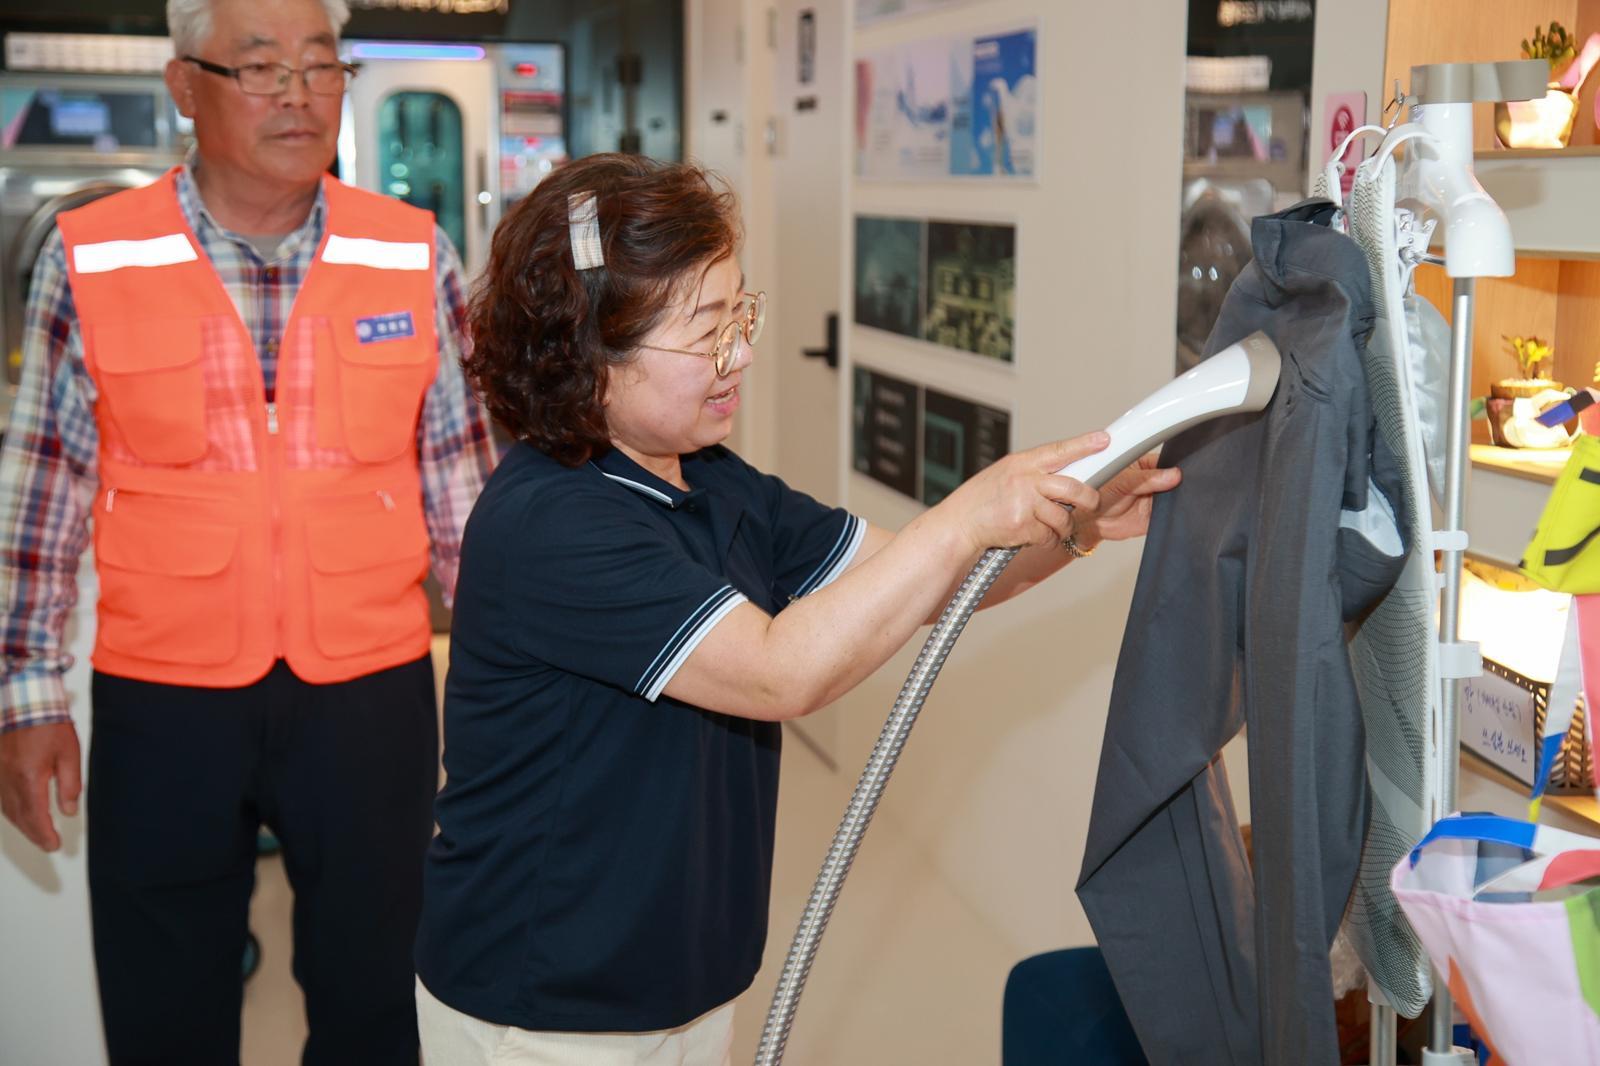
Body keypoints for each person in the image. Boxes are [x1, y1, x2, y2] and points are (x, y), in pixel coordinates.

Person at [412, 152, 1181, 1065]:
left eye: (741, 313)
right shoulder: (551, 521)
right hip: (543, 1009)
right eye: (705, 331)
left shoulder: (716, 483)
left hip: (682, 983)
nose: (739, 353)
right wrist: (969, 511)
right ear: (590, 354)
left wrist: (1078, 525)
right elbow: (782, 671)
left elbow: (933, 580)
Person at [0, 0, 497, 1061]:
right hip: (164, 697)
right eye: (261, 68)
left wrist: (515, 687)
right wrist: (26, 693)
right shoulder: (92, 256)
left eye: (322, 67)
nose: (299, 94)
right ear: (186, 88)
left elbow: (465, 493)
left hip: (370, 691)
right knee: (164, 1002)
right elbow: (38, 493)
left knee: (379, 1001)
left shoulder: (411, 252)